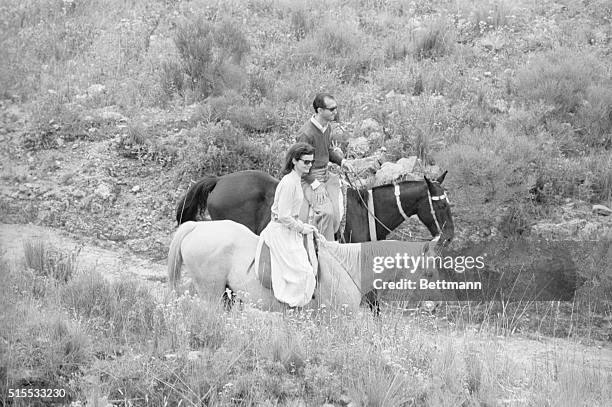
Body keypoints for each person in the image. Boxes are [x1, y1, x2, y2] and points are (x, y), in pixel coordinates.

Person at [260, 142, 319, 307]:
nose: (309, 165)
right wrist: (302, 227)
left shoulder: (296, 180)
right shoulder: (288, 183)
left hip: (289, 229)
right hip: (280, 231)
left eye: (311, 162)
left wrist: (304, 226)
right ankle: (290, 305)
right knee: (303, 272)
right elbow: (284, 216)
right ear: (294, 160)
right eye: (305, 162)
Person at [297, 93, 353, 240]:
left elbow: (327, 150)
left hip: (326, 174)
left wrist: (343, 162)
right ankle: (321, 247)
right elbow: (300, 166)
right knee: (326, 212)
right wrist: (316, 185)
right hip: (308, 177)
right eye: (332, 108)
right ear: (320, 111)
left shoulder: (326, 127)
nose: (335, 111)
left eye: (336, 108)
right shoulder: (306, 134)